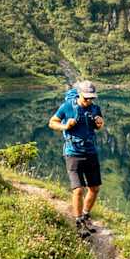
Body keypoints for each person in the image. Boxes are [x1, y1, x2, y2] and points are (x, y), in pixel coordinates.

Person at [50, 80, 105, 237]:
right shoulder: (67, 107)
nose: (89, 100)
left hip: (91, 152)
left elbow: (100, 125)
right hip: (73, 153)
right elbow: (52, 122)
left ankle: (86, 215)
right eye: (86, 97)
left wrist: (100, 123)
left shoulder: (95, 108)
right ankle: (78, 221)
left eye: (91, 98)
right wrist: (65, 126)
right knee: (78, 190)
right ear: (79, 94)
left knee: (94, 188)